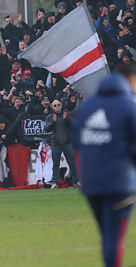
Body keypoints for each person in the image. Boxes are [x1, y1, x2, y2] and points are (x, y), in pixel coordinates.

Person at [72, 64, 136, 267]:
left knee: (107, 235)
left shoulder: (88, 106)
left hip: (91, 183)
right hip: (118, 182)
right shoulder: (129, 105)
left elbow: (77, 141)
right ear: (131, 79)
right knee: (113, 236)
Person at [45, 99, 79, 188]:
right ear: (52, 107)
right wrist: (53, 121)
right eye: (55, 105)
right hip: (55, 143)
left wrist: (67, 119)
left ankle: (75, 182)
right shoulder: (49, 116)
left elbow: (73, 126)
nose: (57, 107)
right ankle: (55, 182)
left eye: (58, 105)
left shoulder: (66, 114)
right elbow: (46, 129)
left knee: (72, 163)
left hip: (67, 142)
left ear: (61, 105)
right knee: (55, 164)